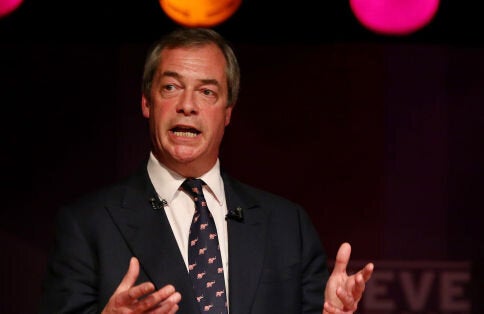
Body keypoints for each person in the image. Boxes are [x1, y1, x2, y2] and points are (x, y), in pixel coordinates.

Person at [38, 27, 374, 314]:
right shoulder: (87, 225)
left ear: (227, 112)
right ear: (146, 102)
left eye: (207, 92)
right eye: (171, 87)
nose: (187, 105)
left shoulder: (288, 226)